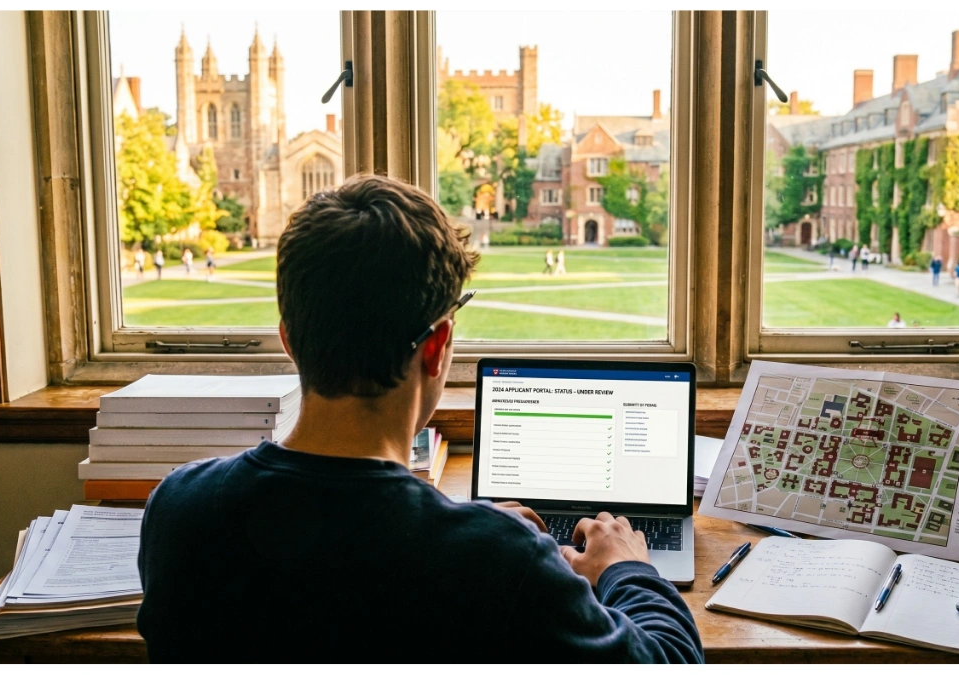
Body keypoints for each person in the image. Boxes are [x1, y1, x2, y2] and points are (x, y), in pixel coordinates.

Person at [136, 175, 703, 663]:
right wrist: (627, 568)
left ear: (290, 340)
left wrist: (466, 526)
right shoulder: (497, 562)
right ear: (437, 348)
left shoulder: (181, 511)